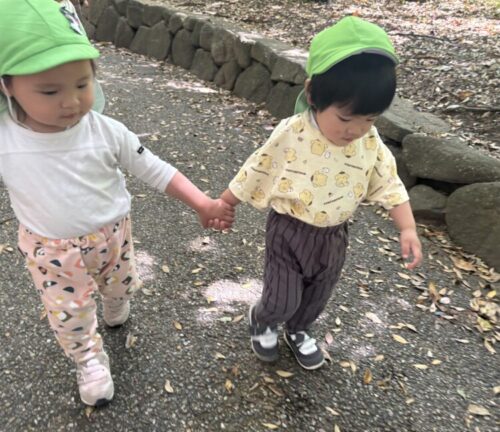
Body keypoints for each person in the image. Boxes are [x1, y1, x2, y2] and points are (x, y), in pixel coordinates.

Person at [0, 0, 234, 406]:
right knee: (68, 313)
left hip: (111, 235)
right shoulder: (7, 139)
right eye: (50, 90)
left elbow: (154, 168)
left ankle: (115, 298)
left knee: (120, 281)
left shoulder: (105, 131)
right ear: (8, 86)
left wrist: (202, 202)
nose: (71, 101)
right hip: (49, 249)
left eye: (82, 84)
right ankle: (88, 359)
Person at [217, 16, 422, 370]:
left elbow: (389, 182)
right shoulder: (294, 132)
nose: (356, 130)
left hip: (333, 236)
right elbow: (259, 166)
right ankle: (264, 318)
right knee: (282, 297)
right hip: (289, 230)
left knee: (317, 295)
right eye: (345, 118)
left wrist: (407, 227)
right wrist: (225, 201)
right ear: (313, 94)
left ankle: (298, 330)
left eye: (369, 119)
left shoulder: (369, 142)